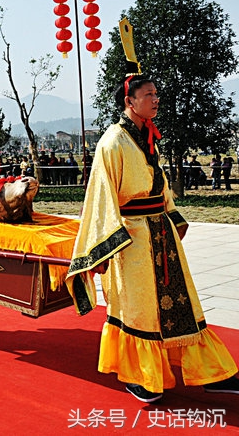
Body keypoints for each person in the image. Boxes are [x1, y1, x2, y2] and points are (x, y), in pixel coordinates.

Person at [66, 70, 239, 403]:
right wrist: (107, 246)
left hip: (160, 234)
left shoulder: (147, 136)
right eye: (149, 95)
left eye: (156, 94)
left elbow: (159, 187)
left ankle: (210, 371)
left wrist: (172, 218)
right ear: (130, 102)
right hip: (132, 240)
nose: (156, 99)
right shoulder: (112, 142)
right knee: (141, 311)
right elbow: (101, 199)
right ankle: (143, 377)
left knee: (182, 304)